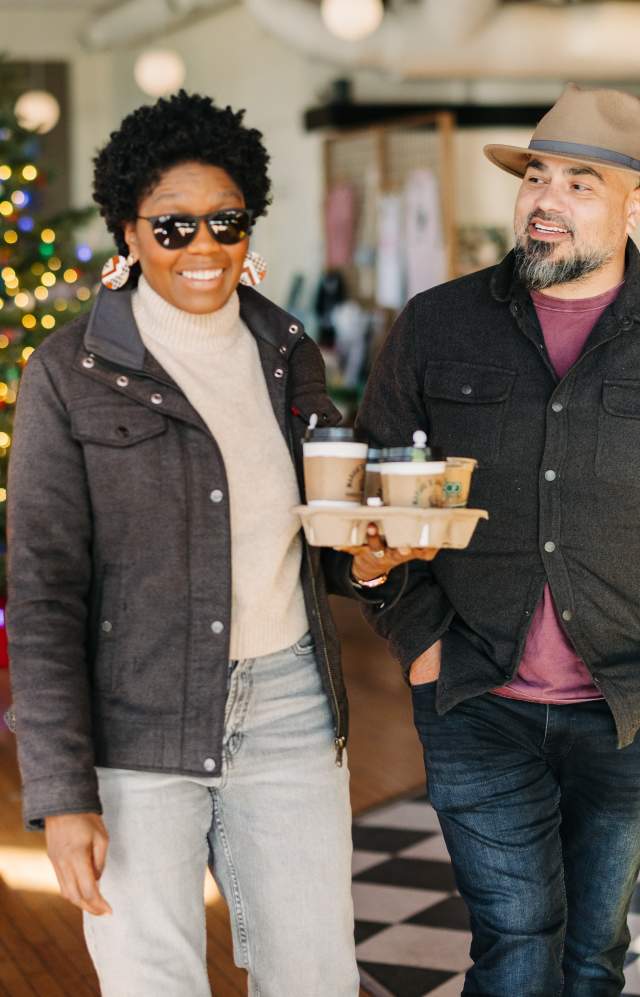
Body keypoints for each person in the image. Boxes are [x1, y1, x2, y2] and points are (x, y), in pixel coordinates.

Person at [7, 91, 362, 997]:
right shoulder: (67, 372)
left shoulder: (287, 351)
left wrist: (373, 549)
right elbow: (44, 590)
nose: (203, 247)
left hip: (288, 709)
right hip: (135, 722)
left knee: (314, 978)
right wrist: (61, 791)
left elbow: (325, 526)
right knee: (152, 981)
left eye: (226, 221)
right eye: (172, 228)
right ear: (129, 230)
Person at [349, 84, 640, 995]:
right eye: (535, 177)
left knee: (593, 954)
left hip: (628, 703)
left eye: (580, 183)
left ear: (637, 206)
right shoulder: (437, 324)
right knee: (516, 943)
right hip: (476, 692)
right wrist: (421, 641)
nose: (544, 199)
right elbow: (367, 496)